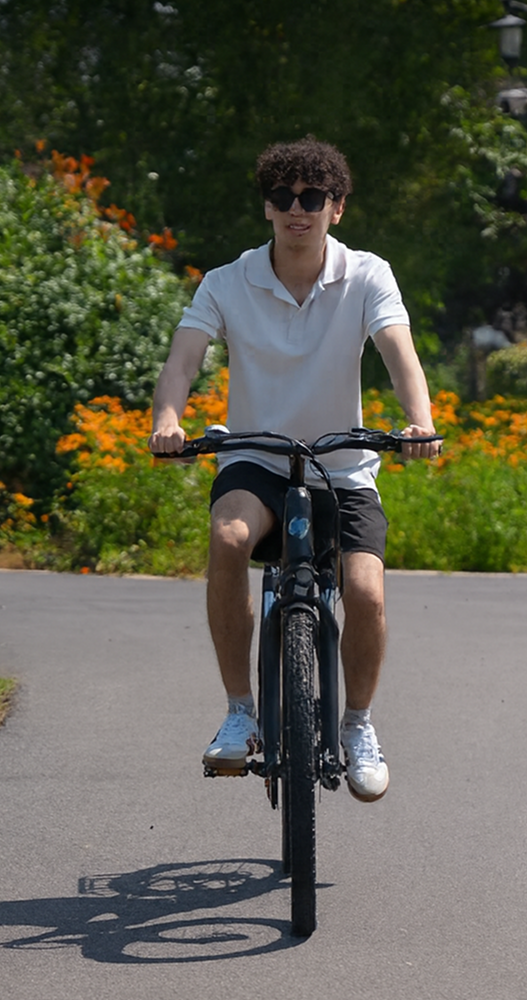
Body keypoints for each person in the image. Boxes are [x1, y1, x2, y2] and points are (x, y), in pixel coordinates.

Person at [148, 136, 440, 803]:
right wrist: (168, 420)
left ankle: (357, 724)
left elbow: (398, 353)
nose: (297, 209)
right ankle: (239, 712)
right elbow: (183, 361)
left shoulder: (367, 274)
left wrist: (418, 422)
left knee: (364, 593)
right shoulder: (227, 282)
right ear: (267, 207)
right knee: (227, 539)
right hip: (256, 458)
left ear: (337, 207)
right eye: (282, 197)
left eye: (313, 198)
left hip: (341, 465)